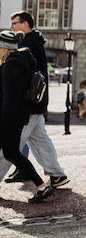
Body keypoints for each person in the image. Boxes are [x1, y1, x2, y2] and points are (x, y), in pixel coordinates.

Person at [7, 11, 67, 187]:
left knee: (10, 146)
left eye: (14, 23)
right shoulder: (35, 40)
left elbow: (24, 76)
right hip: (36, 103)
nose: (11, 27)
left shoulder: (26, 43)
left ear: (25, 24)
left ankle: (56, 174)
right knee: (41, 141)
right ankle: (57, 175)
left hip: (27, 105)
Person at [0, 30, 55, 202]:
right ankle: (42, 186)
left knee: (12, 153)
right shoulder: (23, 61)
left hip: (10, 118)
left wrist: (5, 121)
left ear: (4, 47)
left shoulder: (11, 66)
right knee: (12, 154)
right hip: (18, 117)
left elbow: (10, 97)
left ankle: (42, 186)